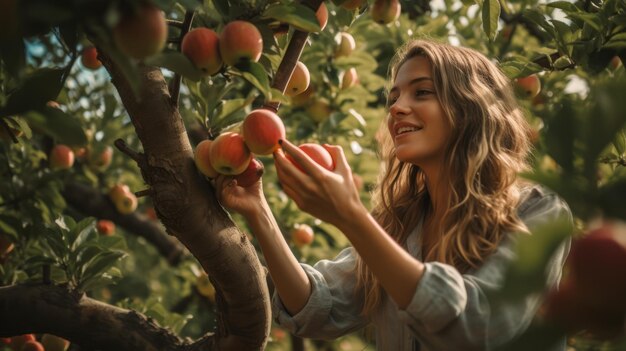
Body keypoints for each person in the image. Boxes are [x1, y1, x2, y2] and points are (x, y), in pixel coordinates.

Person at [214, 39, 572, 351]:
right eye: (394, 96)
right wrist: (258, 211)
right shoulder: (401, 225)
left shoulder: (537, 215)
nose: (397, 107)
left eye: (422, 92)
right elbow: (317, 308)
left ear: (469, 108)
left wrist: (350, 216)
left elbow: (475, 329)